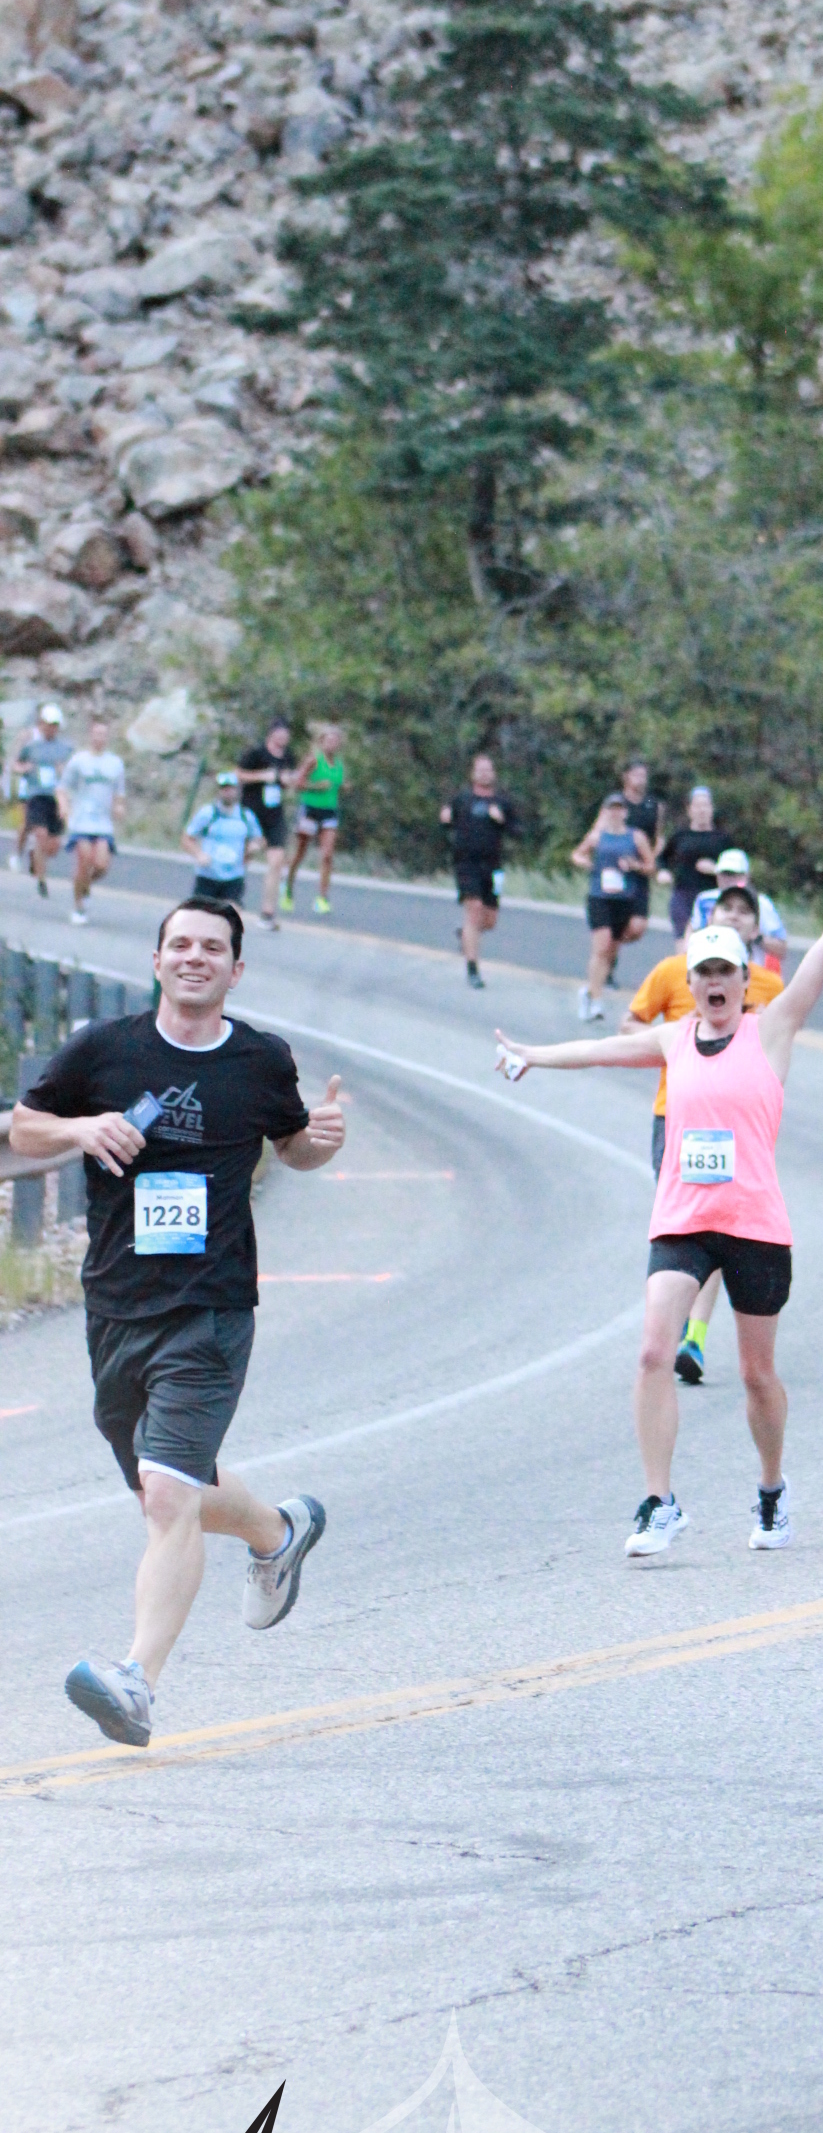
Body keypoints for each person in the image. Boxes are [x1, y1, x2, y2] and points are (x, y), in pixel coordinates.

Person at [495, 825, 823, 1556]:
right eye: (704, 973)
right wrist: (532, 1055)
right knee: (651, 1353)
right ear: (690, 983)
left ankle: (772, 1492)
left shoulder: (773, 1028)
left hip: (755, 1223)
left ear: (744, 977)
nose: (716, 982)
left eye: (727, 970)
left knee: (758, 1375)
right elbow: (602, 1049)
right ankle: (659, 1503)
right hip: (683, 1220)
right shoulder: (673, 1039)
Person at [9, 898, 347, 1749]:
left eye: (213, 948)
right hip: (115, 1303)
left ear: (236, 970)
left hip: (211, 1305)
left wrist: (322, 1140)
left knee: (167, 1496)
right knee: (165, 1487)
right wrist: (82, 1126)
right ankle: (278, 1531)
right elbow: (24, 1127)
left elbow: (294, 1146)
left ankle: (137, 1683)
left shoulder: (261, 1060)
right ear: (157, 960)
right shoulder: (104, 1050)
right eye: (181, 945)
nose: (196, 957)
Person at [624, 881, 784, 1382]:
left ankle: (694, 1334)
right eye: (724, 908)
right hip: (676, 1118)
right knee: (694, 1226)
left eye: (743, 911)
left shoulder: (770, 991)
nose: (733, 915)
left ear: (754, 930)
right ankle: (686, 1333)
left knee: (718, 1225)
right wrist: (673, 1043)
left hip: (736, 1129)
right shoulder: (673, 973)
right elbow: (629, 1027)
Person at [573, 789, 657, 1020]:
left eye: (620, 809)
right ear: (605, 812)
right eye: (612, 809)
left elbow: (650, 866)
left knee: (611, 948)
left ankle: (589, 991)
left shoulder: (636, 837)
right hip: (599, 896)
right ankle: (596, 1001)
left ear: (625, 813)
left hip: (625, 897)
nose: (616, 813)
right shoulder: (597, 836)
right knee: (602, 946)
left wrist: (635, 866)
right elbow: (577, 854)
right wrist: (587, 863)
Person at [440, 752, 521, 989]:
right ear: (473, 774)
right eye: (480, 770)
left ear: (493, 774)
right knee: (474, 909)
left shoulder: (502, 802)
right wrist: (444, 820)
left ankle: (465, 933)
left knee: (490, 920)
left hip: (494, 868)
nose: (485, 774)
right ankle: (473, 970)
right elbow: (446, 824)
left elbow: (518, 831)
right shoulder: (462, 799)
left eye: (488, 770)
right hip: (466, 864)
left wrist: (501, 820)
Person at [60, 718, 126, 927]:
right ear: (90, 735)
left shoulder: (115, 764)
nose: (100, 738)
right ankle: (78, 906)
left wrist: (119, 806)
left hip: (103, 823)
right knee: (84, 861)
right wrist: (64, 806)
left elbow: (119, 792)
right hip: (82, 821)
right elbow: (62, 787)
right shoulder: (79, 761)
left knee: (101, 865)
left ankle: (84, 885)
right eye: (96, 734)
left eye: (103, 734)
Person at [236, 717, 296, 932]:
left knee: (276, 861)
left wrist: (289, 781)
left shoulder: (288, 757)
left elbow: (289, 780)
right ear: (271, 734)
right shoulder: (256, 753)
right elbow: (238, 775)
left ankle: (267, 912)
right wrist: (262, 776)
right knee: (244, 856)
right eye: (279, 734)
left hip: (274, 814)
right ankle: (232, 898)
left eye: (286, 735)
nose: (283, 739)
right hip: (252, 812)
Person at [282, 721, 345, 915]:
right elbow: (297, 783)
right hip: (310, 810)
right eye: (329, 740)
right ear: (322, 742)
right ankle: (288, 888)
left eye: (335, 741)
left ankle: (322, 898)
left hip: (329, 812)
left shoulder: (339, 765)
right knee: (300, 852)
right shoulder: (313, 760)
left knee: (327, 855)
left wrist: (342, 787)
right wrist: (316, 787)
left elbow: (336, 786)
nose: (332, 744)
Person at [12, 697, 71, 898]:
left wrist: (64, 772)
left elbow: (73, 771)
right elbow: (16, 764)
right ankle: (41, 880)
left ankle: (34, 856)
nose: (51, 728)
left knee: (52, 847)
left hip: (56, 798)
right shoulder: (32, 746)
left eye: (55, 725)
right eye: (48, 724)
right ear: (42, 724)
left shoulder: (65, 748)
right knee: (40, 834)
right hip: (36, 795)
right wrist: (24, 768)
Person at [694, 848, 789, 970]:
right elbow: (691, 937)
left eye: (734, 874)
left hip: (751, 970)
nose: (728, 879)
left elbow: (781, 949)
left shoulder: (762, 903)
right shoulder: (704, 899)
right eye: (724, 874)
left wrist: (752, 935)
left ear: (746, 876)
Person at [181, 769, 263, 908]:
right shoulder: (208, 814)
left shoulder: (245, 816)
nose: (227, 792)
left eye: (231, 788)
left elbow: (258, 839)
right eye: (224, 788)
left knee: (232, 912)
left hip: (234, 876)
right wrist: (198, 854)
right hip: (208, 875)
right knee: (203, 914)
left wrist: (254, 847)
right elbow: (187, 838)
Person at [657, 786, 726, 939]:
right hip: (683, 896)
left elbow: (738, 870)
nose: (702, 810)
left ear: (712, 809)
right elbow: (662, 859)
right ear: (689, 810)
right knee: (685, 943)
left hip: (712, 898)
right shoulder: (680, 836)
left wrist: (716, 869)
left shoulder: (723, 839)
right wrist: (663, 872)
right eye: (697, 806)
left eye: (705, 805)